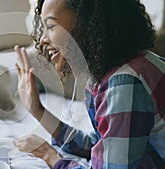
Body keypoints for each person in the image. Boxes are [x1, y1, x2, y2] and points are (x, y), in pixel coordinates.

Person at [14, 0, 165, 168]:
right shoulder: (112, 72)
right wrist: (37, 110)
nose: (42, 39)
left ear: (87, 23)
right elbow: (97, 143)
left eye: (50, 26)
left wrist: (49, 155)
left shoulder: (125, 83)